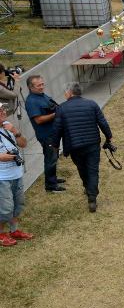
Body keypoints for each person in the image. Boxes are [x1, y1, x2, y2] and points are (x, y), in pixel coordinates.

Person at [51, 83, 114, 213]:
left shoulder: (61, 108)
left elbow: (57, 129)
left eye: (65, 92)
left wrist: (55, 146)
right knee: (93, 169)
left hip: (74, 145)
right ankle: (92, 197)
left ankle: (87, 187)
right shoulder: (92, 104)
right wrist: (109, 137)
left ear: (69, 93)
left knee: (81, 168)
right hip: (92, 144)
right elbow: (102, 122)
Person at [24, 75, 65, 193]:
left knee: (54, 157)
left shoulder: (42, 96)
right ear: (30, 87)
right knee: (50, 159)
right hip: (46, 135)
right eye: (39, 85)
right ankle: (50, 186)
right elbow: (39, 120)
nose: (42, 87)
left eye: (42, 84)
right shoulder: (32, 101)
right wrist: (56, 114)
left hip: (53, 133)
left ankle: (53, 179)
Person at [0, 103, 30, 247]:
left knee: (18, 205)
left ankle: (14, 231)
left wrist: (16, 132)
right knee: (5, 208)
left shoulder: (8, 126)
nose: (3, 111)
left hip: (16, 173)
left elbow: (24, 144)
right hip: (2, 177)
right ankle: (1, 235)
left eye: (3, 109)